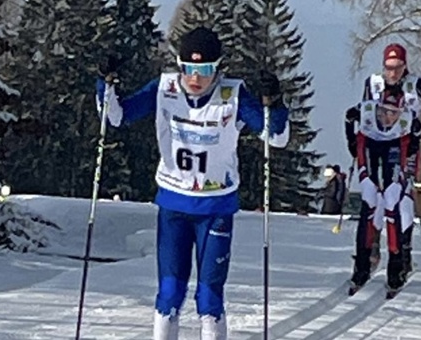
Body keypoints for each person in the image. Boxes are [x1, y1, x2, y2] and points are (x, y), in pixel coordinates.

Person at [96, 27, 290, 340]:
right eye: (188, 69)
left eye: (205, 70)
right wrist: (104, 81)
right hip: (174, 204)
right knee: (169, 292)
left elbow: (276, 138)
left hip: (216, 207)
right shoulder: (164, 87)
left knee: (209, 295)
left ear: (218, 69)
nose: (195, 79)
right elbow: (116, 118)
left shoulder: (233, 94)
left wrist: (275, 102)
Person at [347, 43, 421, 276]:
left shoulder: (415, 84)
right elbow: (364, 110)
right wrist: (354, 141)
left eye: (397, 67)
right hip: (376, 143)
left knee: (400, 197)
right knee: (373, 196)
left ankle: (402, 255)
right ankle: (371, 250)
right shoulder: (373, 82)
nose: (392, 73)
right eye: (388, 68)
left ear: (404, 65)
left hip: (406, 145)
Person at [345, 88, 421, 297]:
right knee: (369, 197)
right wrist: (351, 139)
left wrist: (415, 141)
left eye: (393, 113)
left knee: (391, 200)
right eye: (383, 111)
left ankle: (395, 267)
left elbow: (415, 140)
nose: (387, 117)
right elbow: (349, 117)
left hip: (395, 146)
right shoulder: (367, 110)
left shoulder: (407, 118)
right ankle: (362, 264)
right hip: (369, 144)